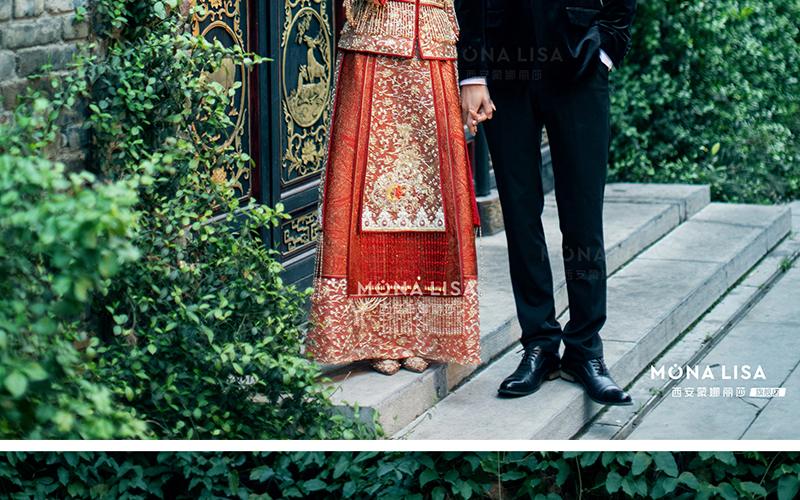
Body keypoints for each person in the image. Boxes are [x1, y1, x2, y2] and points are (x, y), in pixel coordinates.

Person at [455, 0, 636, 405]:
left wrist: (607, 46)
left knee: (583, 215)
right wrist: (473, 73)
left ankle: (585, 349)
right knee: (520, 215)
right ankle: (539, 343)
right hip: (505, 64)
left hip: (579, 59)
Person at [306, 0, 481, 376]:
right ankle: (373, 335)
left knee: (427, 199)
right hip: (374, 39)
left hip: (433, 46)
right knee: (367, 194)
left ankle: (421, 332)